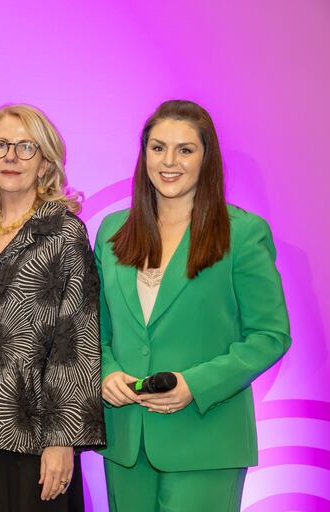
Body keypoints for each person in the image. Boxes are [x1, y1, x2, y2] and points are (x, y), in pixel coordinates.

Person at [96, 100, 291, 511]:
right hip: (127, 440)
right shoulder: (113, 232)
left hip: (207, 437)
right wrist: (108, 372)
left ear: (207, 158)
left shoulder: (243, 233)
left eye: (185, 150)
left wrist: (195, 386)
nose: (169, 161)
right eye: (157, 147)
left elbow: (270, 336)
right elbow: (97, 328)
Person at [0, 104, 105, 511]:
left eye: (26, 147)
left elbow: (77, 341)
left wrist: (63, 438)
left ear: (45, 162)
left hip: (32, 436)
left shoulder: (64, 232)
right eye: (1, 145)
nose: (11, 156)